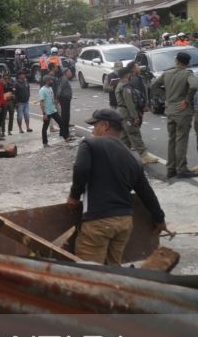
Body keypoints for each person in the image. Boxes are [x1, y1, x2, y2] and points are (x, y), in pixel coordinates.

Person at [67, 109, 168, 265]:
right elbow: (146, 192)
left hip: (98, 221)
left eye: (95, 125)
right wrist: (159, 218)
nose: (93, 130)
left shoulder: (90, 144)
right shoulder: (132, 157)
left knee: (90, 273)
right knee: (113, 270)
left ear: (105, 125)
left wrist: (74, 196)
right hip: (124, 222)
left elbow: (81, 169)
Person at [151, 51, 198, 178]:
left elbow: (154, 86)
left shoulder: (166, 73)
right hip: (182, 111)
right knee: (181, 140)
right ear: (187, 63)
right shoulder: (187, 73)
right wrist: (187, 100)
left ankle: (171, 169)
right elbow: (194, 85)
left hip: (170, 110)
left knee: (172, 140)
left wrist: (164, 98)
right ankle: (181, 169)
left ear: (177, 61)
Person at [115, 64, 159, 164]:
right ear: (127, 75)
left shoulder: (120, 84)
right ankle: (144, 156)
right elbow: (129, 103)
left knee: (125, 137)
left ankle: (122, 158)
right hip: (127, 113)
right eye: (129, 74)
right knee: (134, 134)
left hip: (121, 113)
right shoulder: (125, 87)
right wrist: (135, 117)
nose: (131, 75)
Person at [38, 76, 64, 147]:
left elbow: (51, 99)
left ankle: (65, 136)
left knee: (61, 123)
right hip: (47, 112)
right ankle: (45, 143)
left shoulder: (50, 88)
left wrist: (55, 101)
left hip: (53, 110)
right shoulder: (42, 90)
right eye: (50, 80)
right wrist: (44, 114)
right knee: (45, 128)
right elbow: (41, 102)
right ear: (47, 81)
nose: (52, 82)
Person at [56, 67, 74, 141]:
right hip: (64, 99)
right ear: (66, 73)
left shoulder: (64, 79)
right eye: (69, 72)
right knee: (65, 117)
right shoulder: (64, 79)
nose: (71, 73)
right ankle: (65, 134)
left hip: (65, 99)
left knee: (65, 116)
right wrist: (57, 98)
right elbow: (59, 89)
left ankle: (63, 132)